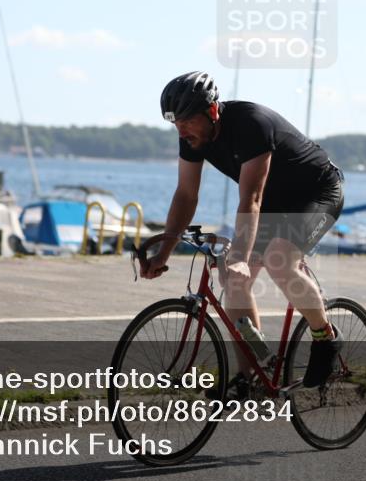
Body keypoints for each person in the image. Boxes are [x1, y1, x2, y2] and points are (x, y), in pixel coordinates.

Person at [141, 71, 345, 395]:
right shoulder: (193, 136)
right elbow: (185, 195)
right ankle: (249, 377)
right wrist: (163, 252)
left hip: (316, 192)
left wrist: (240, 254)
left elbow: (251, 199)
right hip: (274, 201)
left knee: (279, 261)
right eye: (175, 123)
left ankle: (326, 337)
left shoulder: (251, 124)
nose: (181, 129)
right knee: (232, 276)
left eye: (187, 120)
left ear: (211, 112)